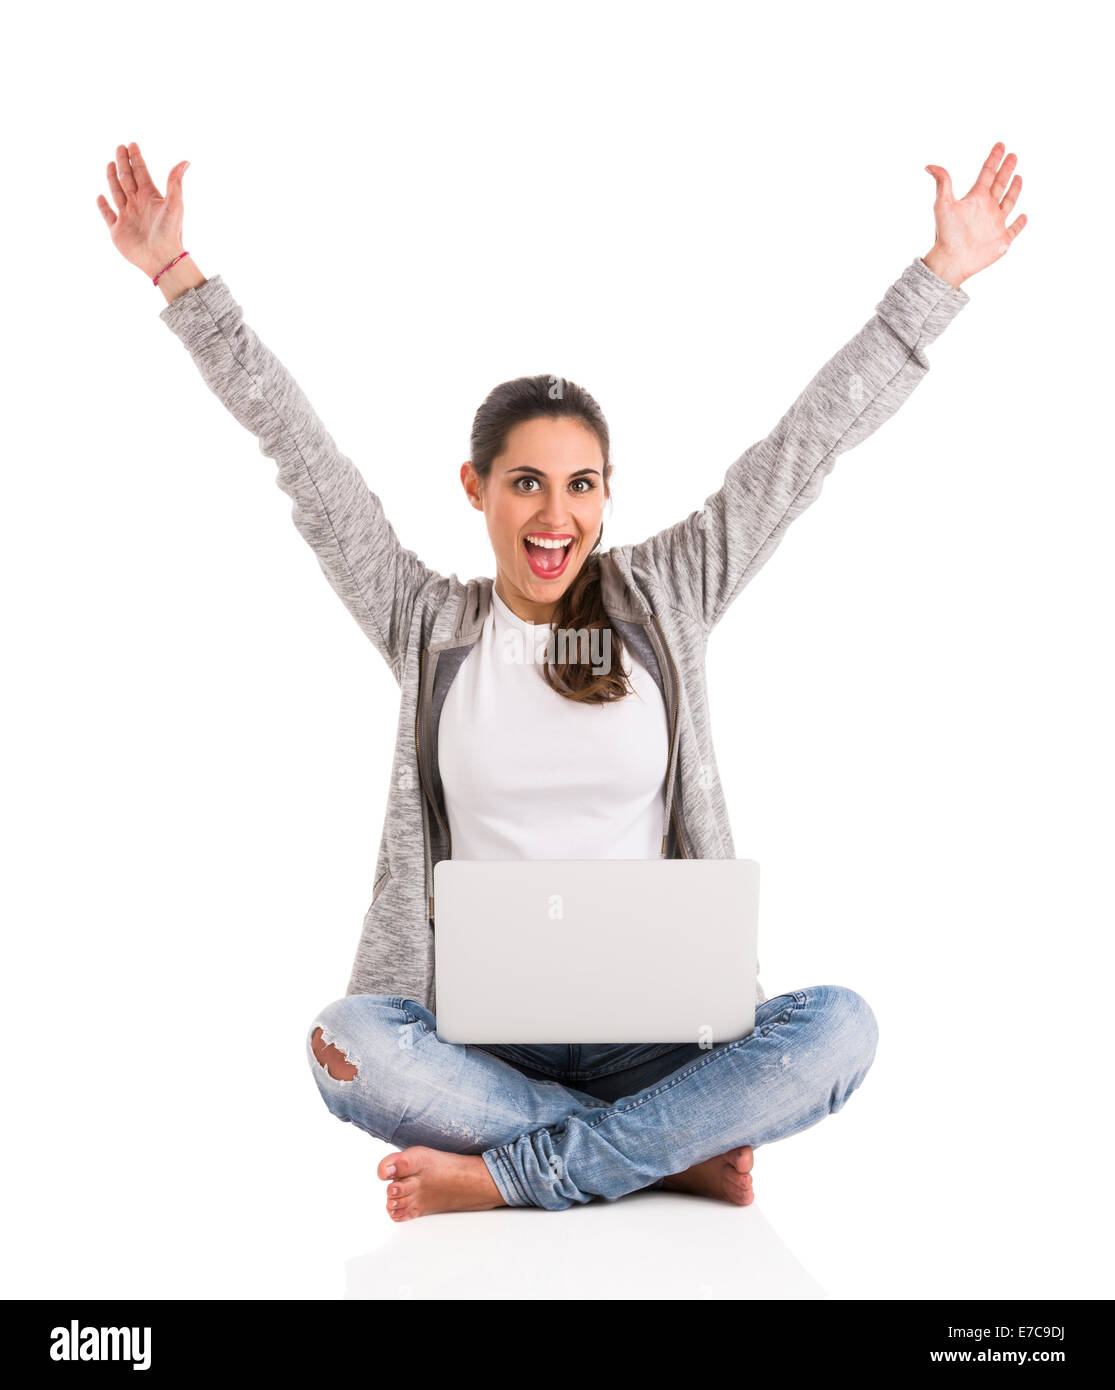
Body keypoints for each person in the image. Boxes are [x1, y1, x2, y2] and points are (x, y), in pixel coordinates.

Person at [97, 140, 1026, 1221]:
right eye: (526, 484)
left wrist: (937, 281)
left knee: (842, 1027)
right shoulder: (423, 621)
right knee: (342, 1044)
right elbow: (300, 454)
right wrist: (179, 281)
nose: (555, 517)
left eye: (580, 485)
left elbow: (804, 447)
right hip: (479, 1037)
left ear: (606, 492)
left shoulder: (667, 594)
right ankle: (657, 1158)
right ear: (475, 488)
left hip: (661, 1035)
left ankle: (519, 1170)